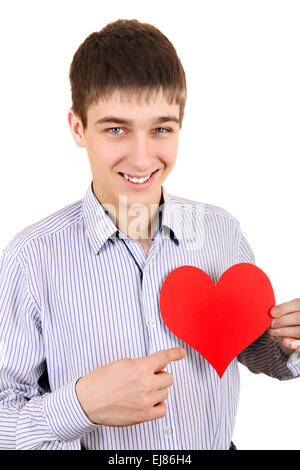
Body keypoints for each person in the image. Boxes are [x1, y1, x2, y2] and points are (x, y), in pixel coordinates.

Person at [0, 18, 299, 451]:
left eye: (161, 128)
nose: (142, 159)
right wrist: (80, 405)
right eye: (116, 128)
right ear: (78, 127)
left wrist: (288, 343)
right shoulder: (31, 259)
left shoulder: (222, 233)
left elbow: (250, 348)